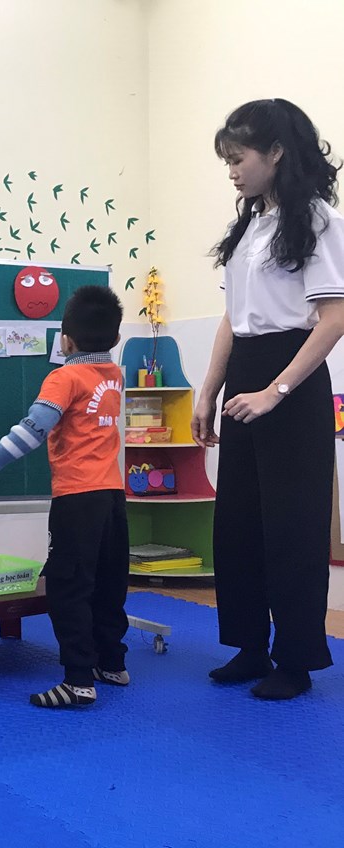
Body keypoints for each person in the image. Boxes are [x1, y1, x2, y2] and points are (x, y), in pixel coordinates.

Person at [192, 99, 344, 700]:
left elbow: (334, 318)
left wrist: (276, 391)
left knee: (292, 526)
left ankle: (296, 660)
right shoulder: (251, 225)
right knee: (239, 523)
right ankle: (250, 646)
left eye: (238, 158)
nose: (231, 171)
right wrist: (209, 390)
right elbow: (232, 318)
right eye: (227, 160)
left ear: (276, 152)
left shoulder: (317, 219)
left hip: (293, 382)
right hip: (245, 376)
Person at [0, 285, 128, 708]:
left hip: (77, 499)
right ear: (116, 339)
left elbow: (34, 428)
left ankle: (78, 681)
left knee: (67, 586)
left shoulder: (64, 378)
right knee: (109, 583)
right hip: (112, 498)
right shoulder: (113, 375)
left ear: (65, 340)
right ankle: (111, 663)